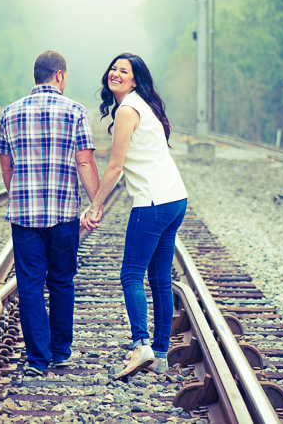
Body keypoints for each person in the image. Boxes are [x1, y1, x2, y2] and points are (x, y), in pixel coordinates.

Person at [81, 53, 188, 379]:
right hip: (175, 200)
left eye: (123, 71)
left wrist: (95, 206)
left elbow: (114, 167)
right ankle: (159, 356)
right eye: (113, 69)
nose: (115, 74)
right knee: (159, 281)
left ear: (135, 79)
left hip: (153, 203)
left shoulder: (128, 110)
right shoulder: (143, 105)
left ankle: (141, 345)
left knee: (131, 274)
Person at [0, 50, 101, 377]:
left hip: (24, 216)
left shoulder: (9, 113)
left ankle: (37, 361)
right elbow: (84, 162)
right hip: (64, 214)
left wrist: (20, 195)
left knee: (29, 285)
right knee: (61, 282)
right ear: (59, 75)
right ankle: (62, 353)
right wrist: (95, 204)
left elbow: (6, 167)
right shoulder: (75, 112)